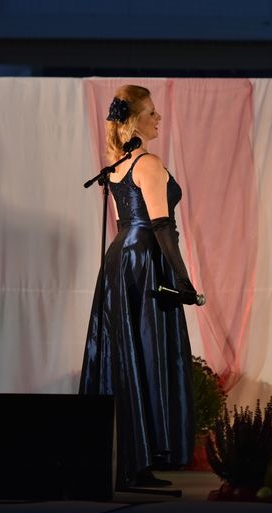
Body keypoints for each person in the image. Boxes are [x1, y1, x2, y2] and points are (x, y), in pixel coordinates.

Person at [80, 85, 199, 489]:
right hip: (146, 259)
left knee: (125, 354)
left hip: (121, 258)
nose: (158, 118)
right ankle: (139, 460)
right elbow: (162, 226)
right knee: (145, 350)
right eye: (151, 113)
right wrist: (183, 279)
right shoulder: (147, 163)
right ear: (133, 122)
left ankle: (131, 461)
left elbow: (123, 222)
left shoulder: (116, 167)